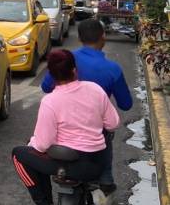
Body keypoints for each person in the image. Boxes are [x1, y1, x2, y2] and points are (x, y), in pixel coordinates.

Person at [13, 49, 120, 205]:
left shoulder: (50, 101)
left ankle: (44, 201)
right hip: (97, 164)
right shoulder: (95, 89)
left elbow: (43, 145)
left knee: (19, 154)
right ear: (74, 70)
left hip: (68, 166)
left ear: (51, 74)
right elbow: (113, 123)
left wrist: (32, 142)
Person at [40, 19, 132, 195]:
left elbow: (45, 87)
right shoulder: (112, 69)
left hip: (63, 133)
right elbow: (126, 105)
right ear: (103, 37)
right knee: (106, 133)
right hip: (94, 137)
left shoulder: (65, 60)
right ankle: (105, 180)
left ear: (80, 38)